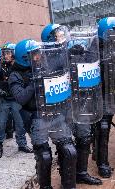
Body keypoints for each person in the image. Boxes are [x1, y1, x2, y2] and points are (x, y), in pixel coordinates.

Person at [9, 39, 77, 189]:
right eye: (35, 54)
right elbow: (20, 98)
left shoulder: (43, 66)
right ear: (25, 57)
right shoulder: (15, 75)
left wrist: (70, 53)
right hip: (37, 119)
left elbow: (60, 65)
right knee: (44, 157)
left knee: (69, 151)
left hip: (56, 114)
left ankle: (69, 185)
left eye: (39, 53)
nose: (39, 56)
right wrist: (36, 81)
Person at [42, 24, 102, 185]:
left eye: (63, 33)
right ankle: (67, 179)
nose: (63, 36)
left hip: (78, 104)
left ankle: (81, 173)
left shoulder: (70, 50)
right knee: (66, 146)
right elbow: (53, 69)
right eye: (59, 34)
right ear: (50, 38)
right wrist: (68, 54)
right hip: (60, 110)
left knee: (84, 137)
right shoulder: (45, 56)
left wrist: (89, 50)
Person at [0, 42, 33, 159]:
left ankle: (22, 144)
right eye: (4, 53)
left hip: (16, 100)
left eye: (8, 53)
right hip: (4, 99)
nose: (6, 55)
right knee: (1, 124)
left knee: (20, 124)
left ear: (14, 54)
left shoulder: (19, 66)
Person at [91, 17, 115, 178]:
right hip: (101, 96)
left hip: (113, 93)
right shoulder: (93, 52)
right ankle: (102, 163)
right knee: (103, 128)